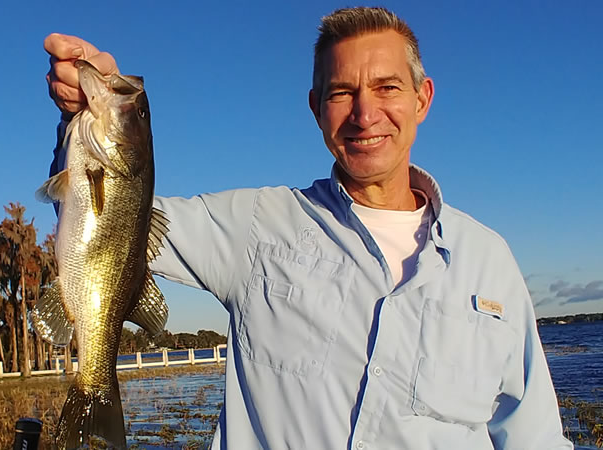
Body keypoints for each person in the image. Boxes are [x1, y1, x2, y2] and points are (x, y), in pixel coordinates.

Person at [44, 7, 572, 450]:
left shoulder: (489, 260)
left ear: (422, 99)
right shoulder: (255, 226)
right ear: (316, 108)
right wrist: (80, 117)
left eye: (387, 87)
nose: (365, 114)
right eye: (341, 92)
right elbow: (109, 220)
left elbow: (535, 435)